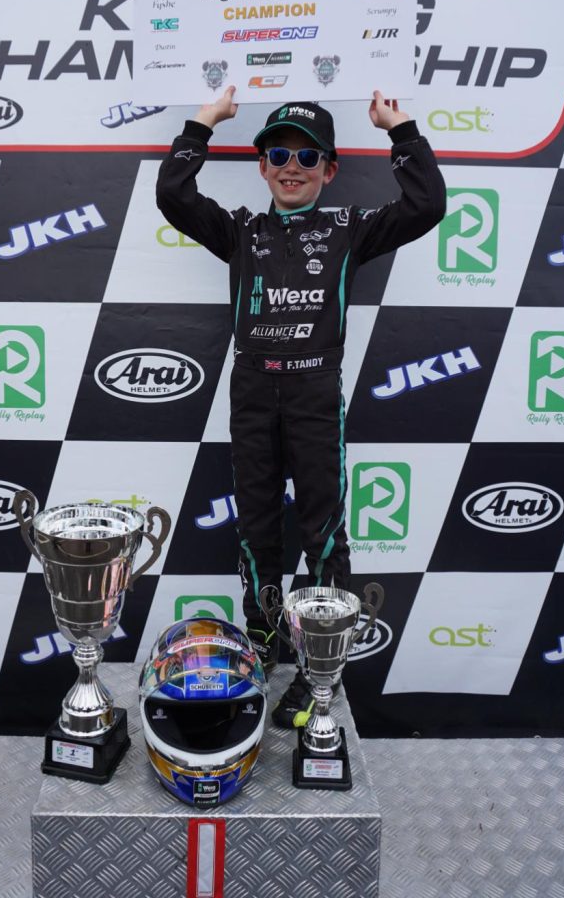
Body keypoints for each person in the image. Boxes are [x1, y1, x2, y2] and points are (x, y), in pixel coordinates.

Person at [156, 88, 446, 728]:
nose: (293, 167)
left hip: (315, 393)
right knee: (257, 527)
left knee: (324, 534)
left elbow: (427, 204)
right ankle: (262, 640)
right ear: (262, 166)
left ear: (329, 170)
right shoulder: (240, 230)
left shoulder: (349, 229)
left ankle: (322, 671)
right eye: (280, 154)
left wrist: (400, 128)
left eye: (308, 156)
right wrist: (203, 121)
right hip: (252, 392)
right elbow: (173, 194)